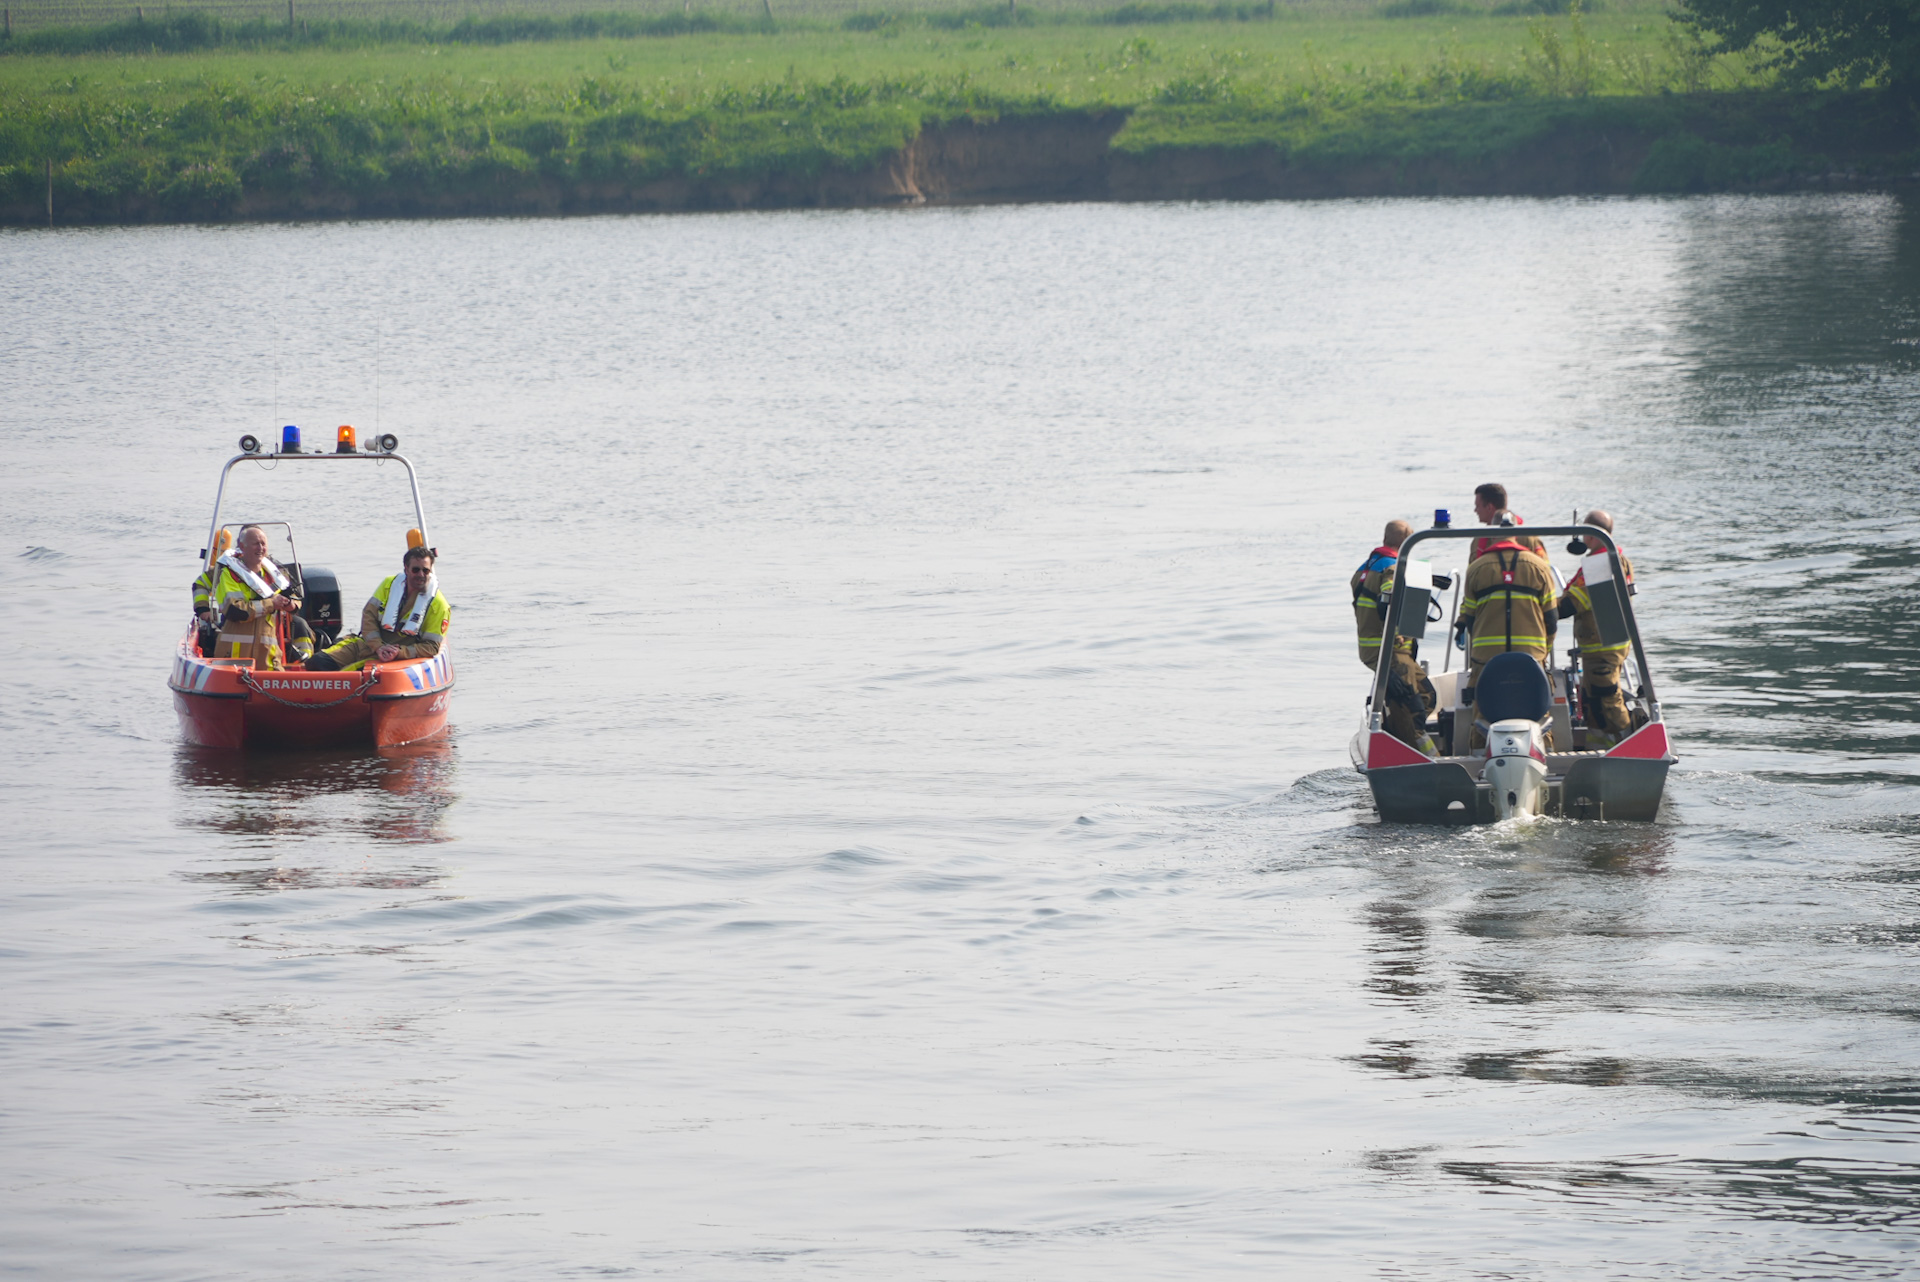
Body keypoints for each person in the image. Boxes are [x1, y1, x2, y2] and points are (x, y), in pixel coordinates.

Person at [1457, 520, 1558, 747]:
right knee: (1539, 712)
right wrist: (1544, 651)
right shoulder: (1540, 568)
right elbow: (1551, 619)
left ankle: (1478, 757)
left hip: (1485, 657)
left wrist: (1479, 647)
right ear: (1518, 536)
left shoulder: (1476, 568)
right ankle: (1546, 755)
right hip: (1532, 656)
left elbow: (1469, 618)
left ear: (1492, 537)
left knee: (1482, 713)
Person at [1352, 519, 1438, 756]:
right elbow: (1389, 602)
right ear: (1405, 543)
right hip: (1392, 653)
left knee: (1427, 695)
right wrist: (1400, 632)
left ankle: (1398, 738)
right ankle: (1424, 758)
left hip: (1376, 651)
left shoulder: (1364, 568)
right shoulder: (1392, 568)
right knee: (1413, 710)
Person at [1558, 508, 1638, 748]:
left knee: (1608, 701)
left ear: (1590, 534)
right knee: (1593, 702)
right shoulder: (1614, 558)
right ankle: (1597, 747)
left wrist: (1541, 609)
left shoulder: (1601, 563)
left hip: (1603, 647)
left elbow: (1575, 602)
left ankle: (1628, 745)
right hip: (1605, 644)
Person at [308, 546, 449, 671]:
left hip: (398, 656)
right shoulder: (388, 585)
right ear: (406, 569)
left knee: (362, 677)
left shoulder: (439, 605)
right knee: (317, 662)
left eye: (425, 570)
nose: (421, 575)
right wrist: (378, 646)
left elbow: (431, 647)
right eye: (416, 570)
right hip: (367, 645)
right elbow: (369, 616)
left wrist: (399, 652)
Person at [209, 524, 301, 668]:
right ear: (242, 546)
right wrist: (272, 604)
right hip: (234, 658)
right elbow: (235, 611)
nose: (260, 548)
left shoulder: (274, 573)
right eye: (255, 544)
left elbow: (295, 598)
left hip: (268, 658)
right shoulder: (229, 574)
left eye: (263, 544)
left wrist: (290, 604)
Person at [1470, 482, 1546, 559]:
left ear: (1489, 507)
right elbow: (1544, 568)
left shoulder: (1528, 539)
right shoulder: (1530, 537)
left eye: (1477, 506)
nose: (1475, 510)